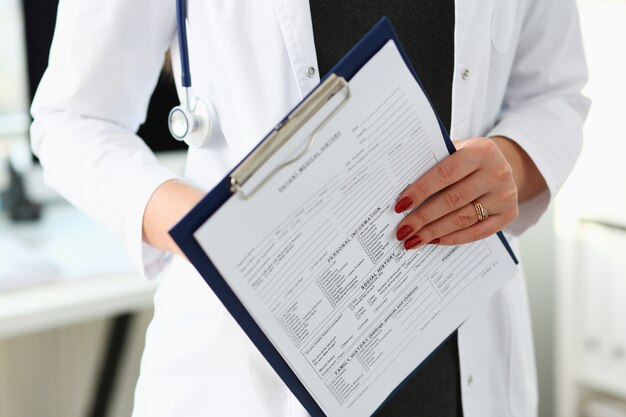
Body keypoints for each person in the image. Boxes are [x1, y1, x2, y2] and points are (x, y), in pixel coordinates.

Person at [30, 0, 589, 416]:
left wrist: (513, 163)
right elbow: (73, 121)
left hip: (458, 371)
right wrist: (213, 229)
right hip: (244, 372)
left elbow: (554, 92)